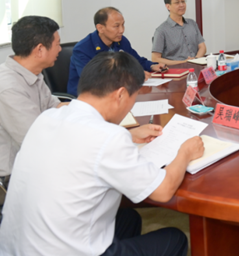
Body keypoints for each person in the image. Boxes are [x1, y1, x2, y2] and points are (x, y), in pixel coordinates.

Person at [0, 51, 204, 255]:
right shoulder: (109, 138)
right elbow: (163, 191)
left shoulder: (47, 118)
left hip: (15, 248)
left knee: (129, 219)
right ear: (121, 94)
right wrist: (185, 153)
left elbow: (82, 141)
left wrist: (129, 134)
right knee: (174, 239)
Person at [0, 16, 67, 185]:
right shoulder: (8, 88)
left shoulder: (32, 73)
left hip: (39, 161)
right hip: (14, 177)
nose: (60, 49)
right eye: (57, 44)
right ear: (40, 50)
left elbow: (55, 106)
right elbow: (35, 140)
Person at [67, 7, 165, 97]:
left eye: (123, 25)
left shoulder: (121, 41)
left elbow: (136, 61)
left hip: (114, 94)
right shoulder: (82, 49)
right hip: (88, 98)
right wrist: (131, 76)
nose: (121, 30)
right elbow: (93, 80)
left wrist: (152, 66)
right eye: (116, 26)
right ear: (100, 28)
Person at [151, 0, 206, 65]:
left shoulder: (192, 23)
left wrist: (195, 60)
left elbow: (202, 47)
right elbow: (155, 58)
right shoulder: (161, 31)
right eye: (177, 2)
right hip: (176, 69)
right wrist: (184, 62)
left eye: (183, 1)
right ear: (168, 6)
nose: (182, 5)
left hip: (196, 65)